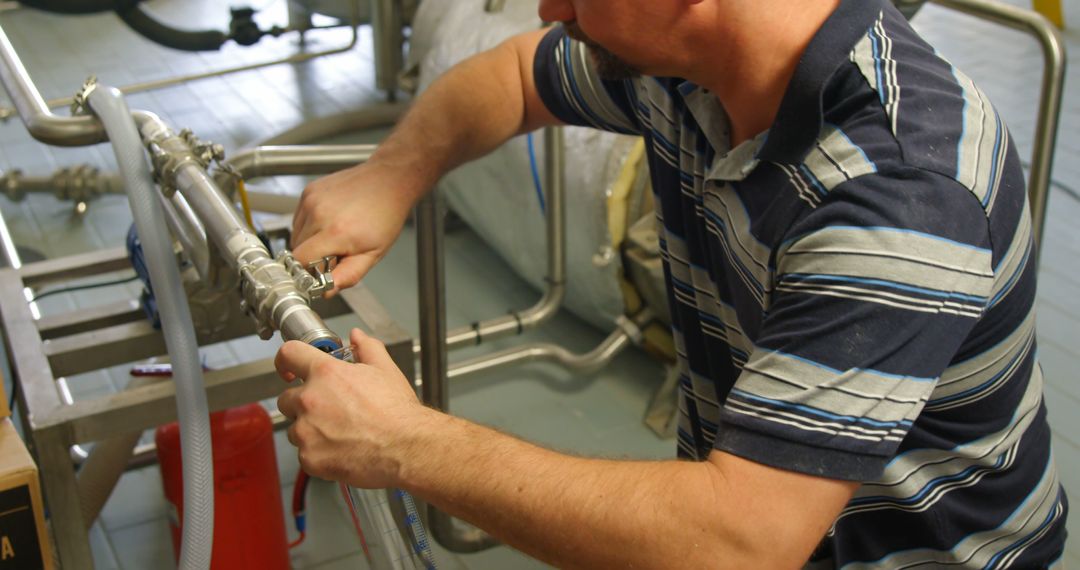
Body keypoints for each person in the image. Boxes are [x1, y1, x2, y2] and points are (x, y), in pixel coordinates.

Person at [274, 0, 1069, 567]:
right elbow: (517, 75)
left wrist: (405, 444)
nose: (551, 9)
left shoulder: (902, 193)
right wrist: (392, 173)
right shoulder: (692, 69)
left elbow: (738, 543)